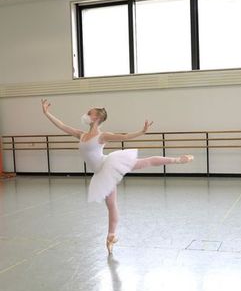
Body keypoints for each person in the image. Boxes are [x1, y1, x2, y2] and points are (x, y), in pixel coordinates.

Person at [41, 99, 193, 253]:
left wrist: (141, 132)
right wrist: (47, 113)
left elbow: (124, 137)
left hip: (108, 165)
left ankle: (178, 160)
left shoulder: (102, 136)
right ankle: (111, 236)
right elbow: (62, 125)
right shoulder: (81, 135)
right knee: (111, 205)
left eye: (89, 113)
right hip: (100, 172)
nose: (86, 115)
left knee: (142, 163)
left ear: (96, 118)